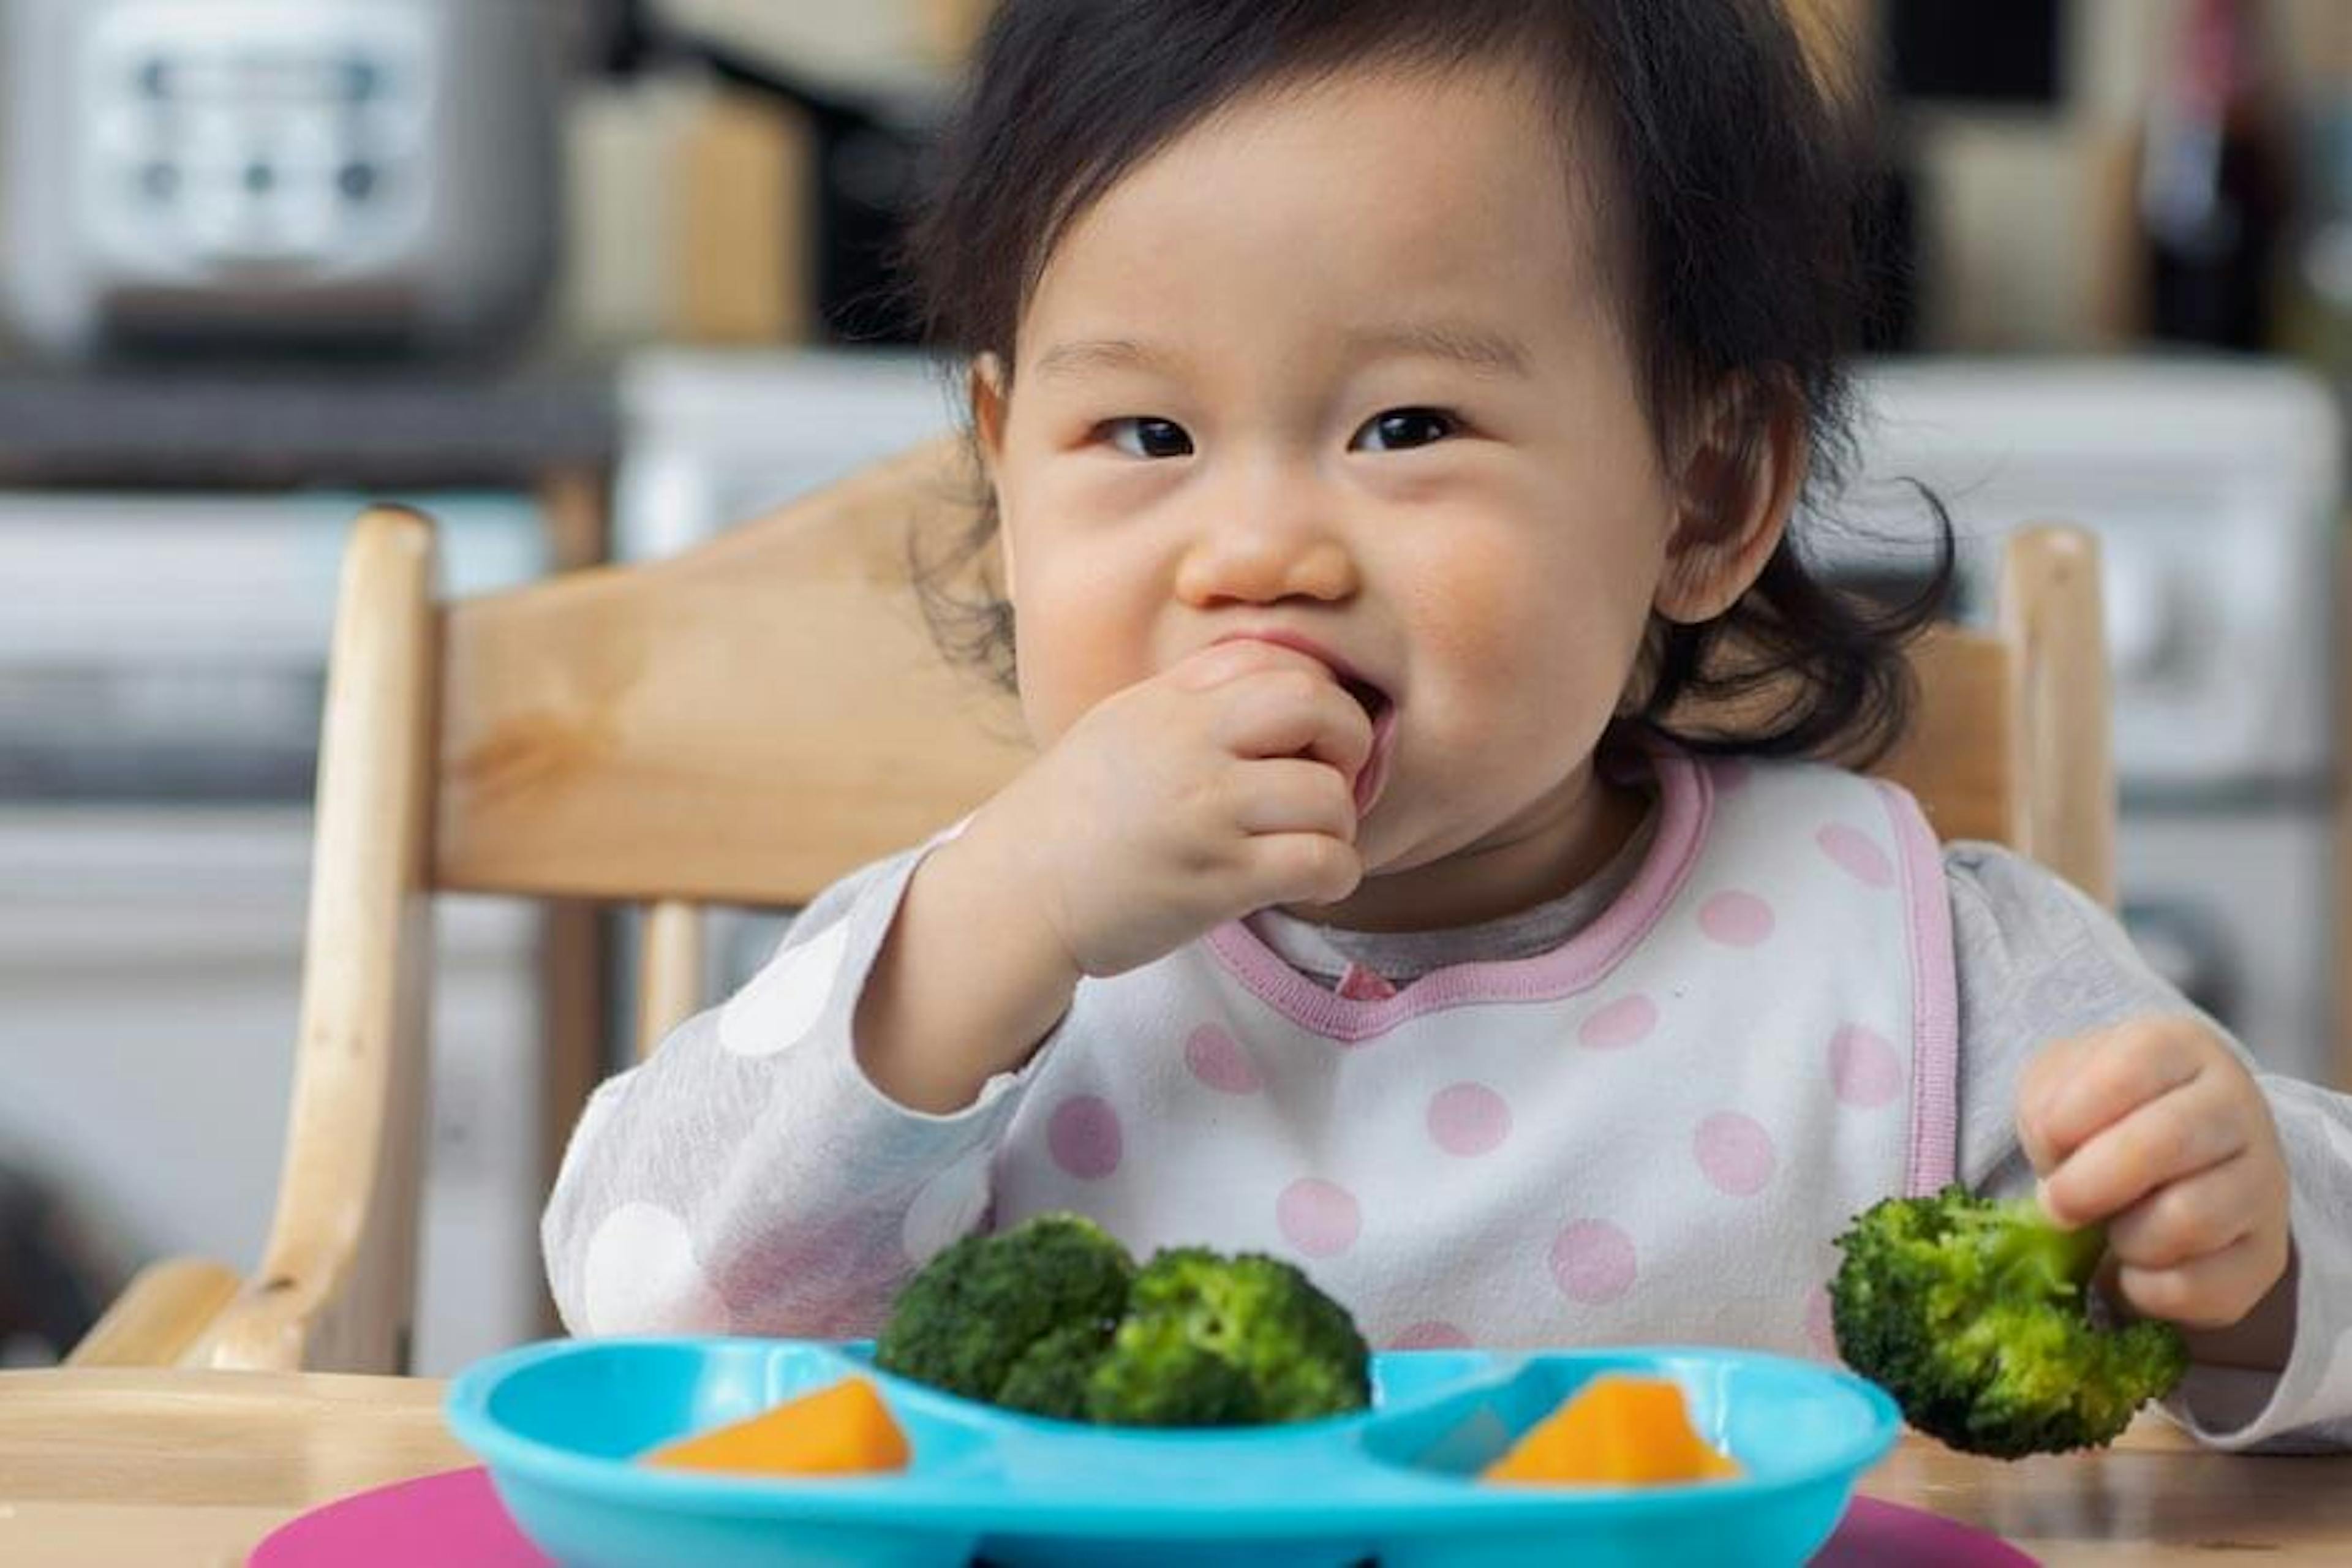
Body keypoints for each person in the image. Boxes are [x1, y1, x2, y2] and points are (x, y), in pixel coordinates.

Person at [545, 0, 2352, 1449]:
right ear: (1009, 477)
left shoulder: (1917, 966)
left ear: (1706, 496)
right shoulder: (973, 964)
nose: (1253, 548)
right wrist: (988, 932)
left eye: (1404, 427)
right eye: (1147, 439)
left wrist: (2252, 1260)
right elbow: (645, 1305)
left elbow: (2297, 1284)